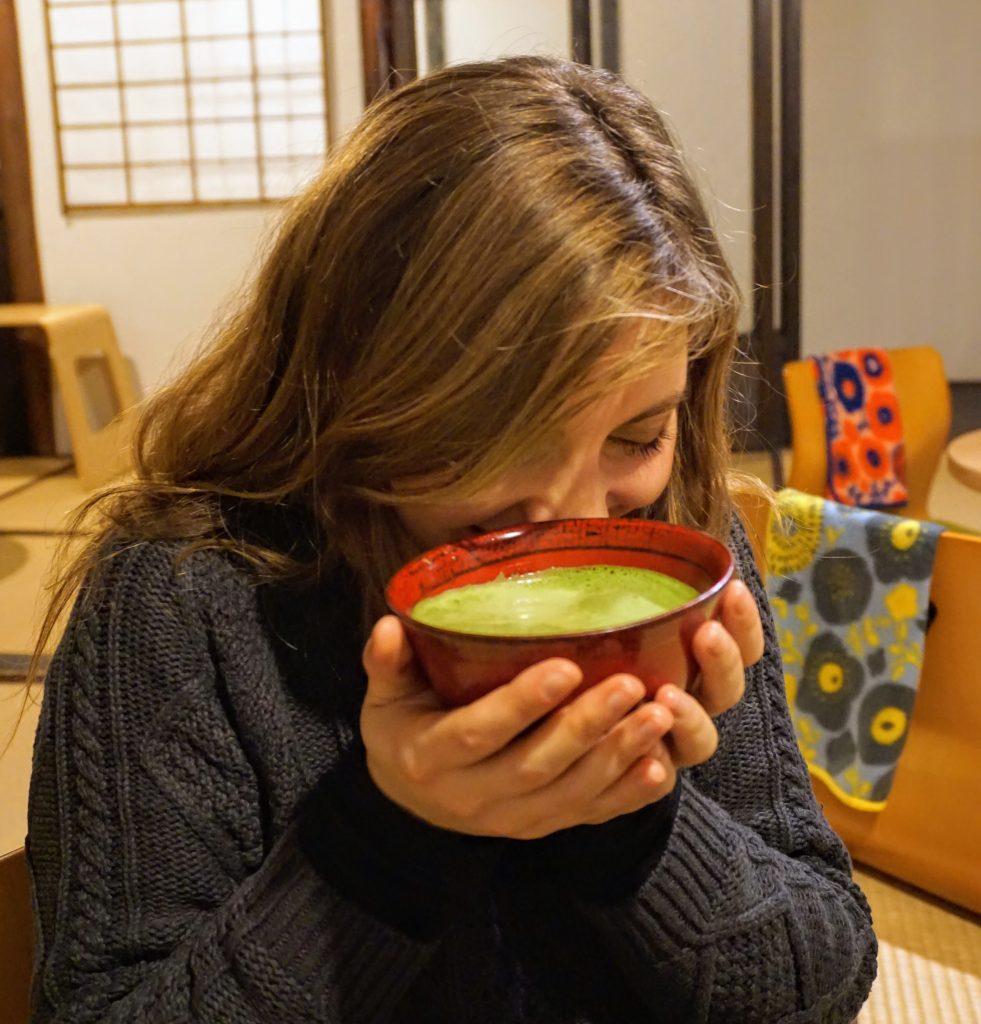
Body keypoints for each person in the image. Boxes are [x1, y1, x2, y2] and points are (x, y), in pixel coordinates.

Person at [26, 56, 876, 1023]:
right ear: (359, 384)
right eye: (495, 438)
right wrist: (393, 834)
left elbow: (821, 980)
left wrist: (631, 810)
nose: (571, 516)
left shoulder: (669, 545)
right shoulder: (180, 598)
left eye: (636, 435)